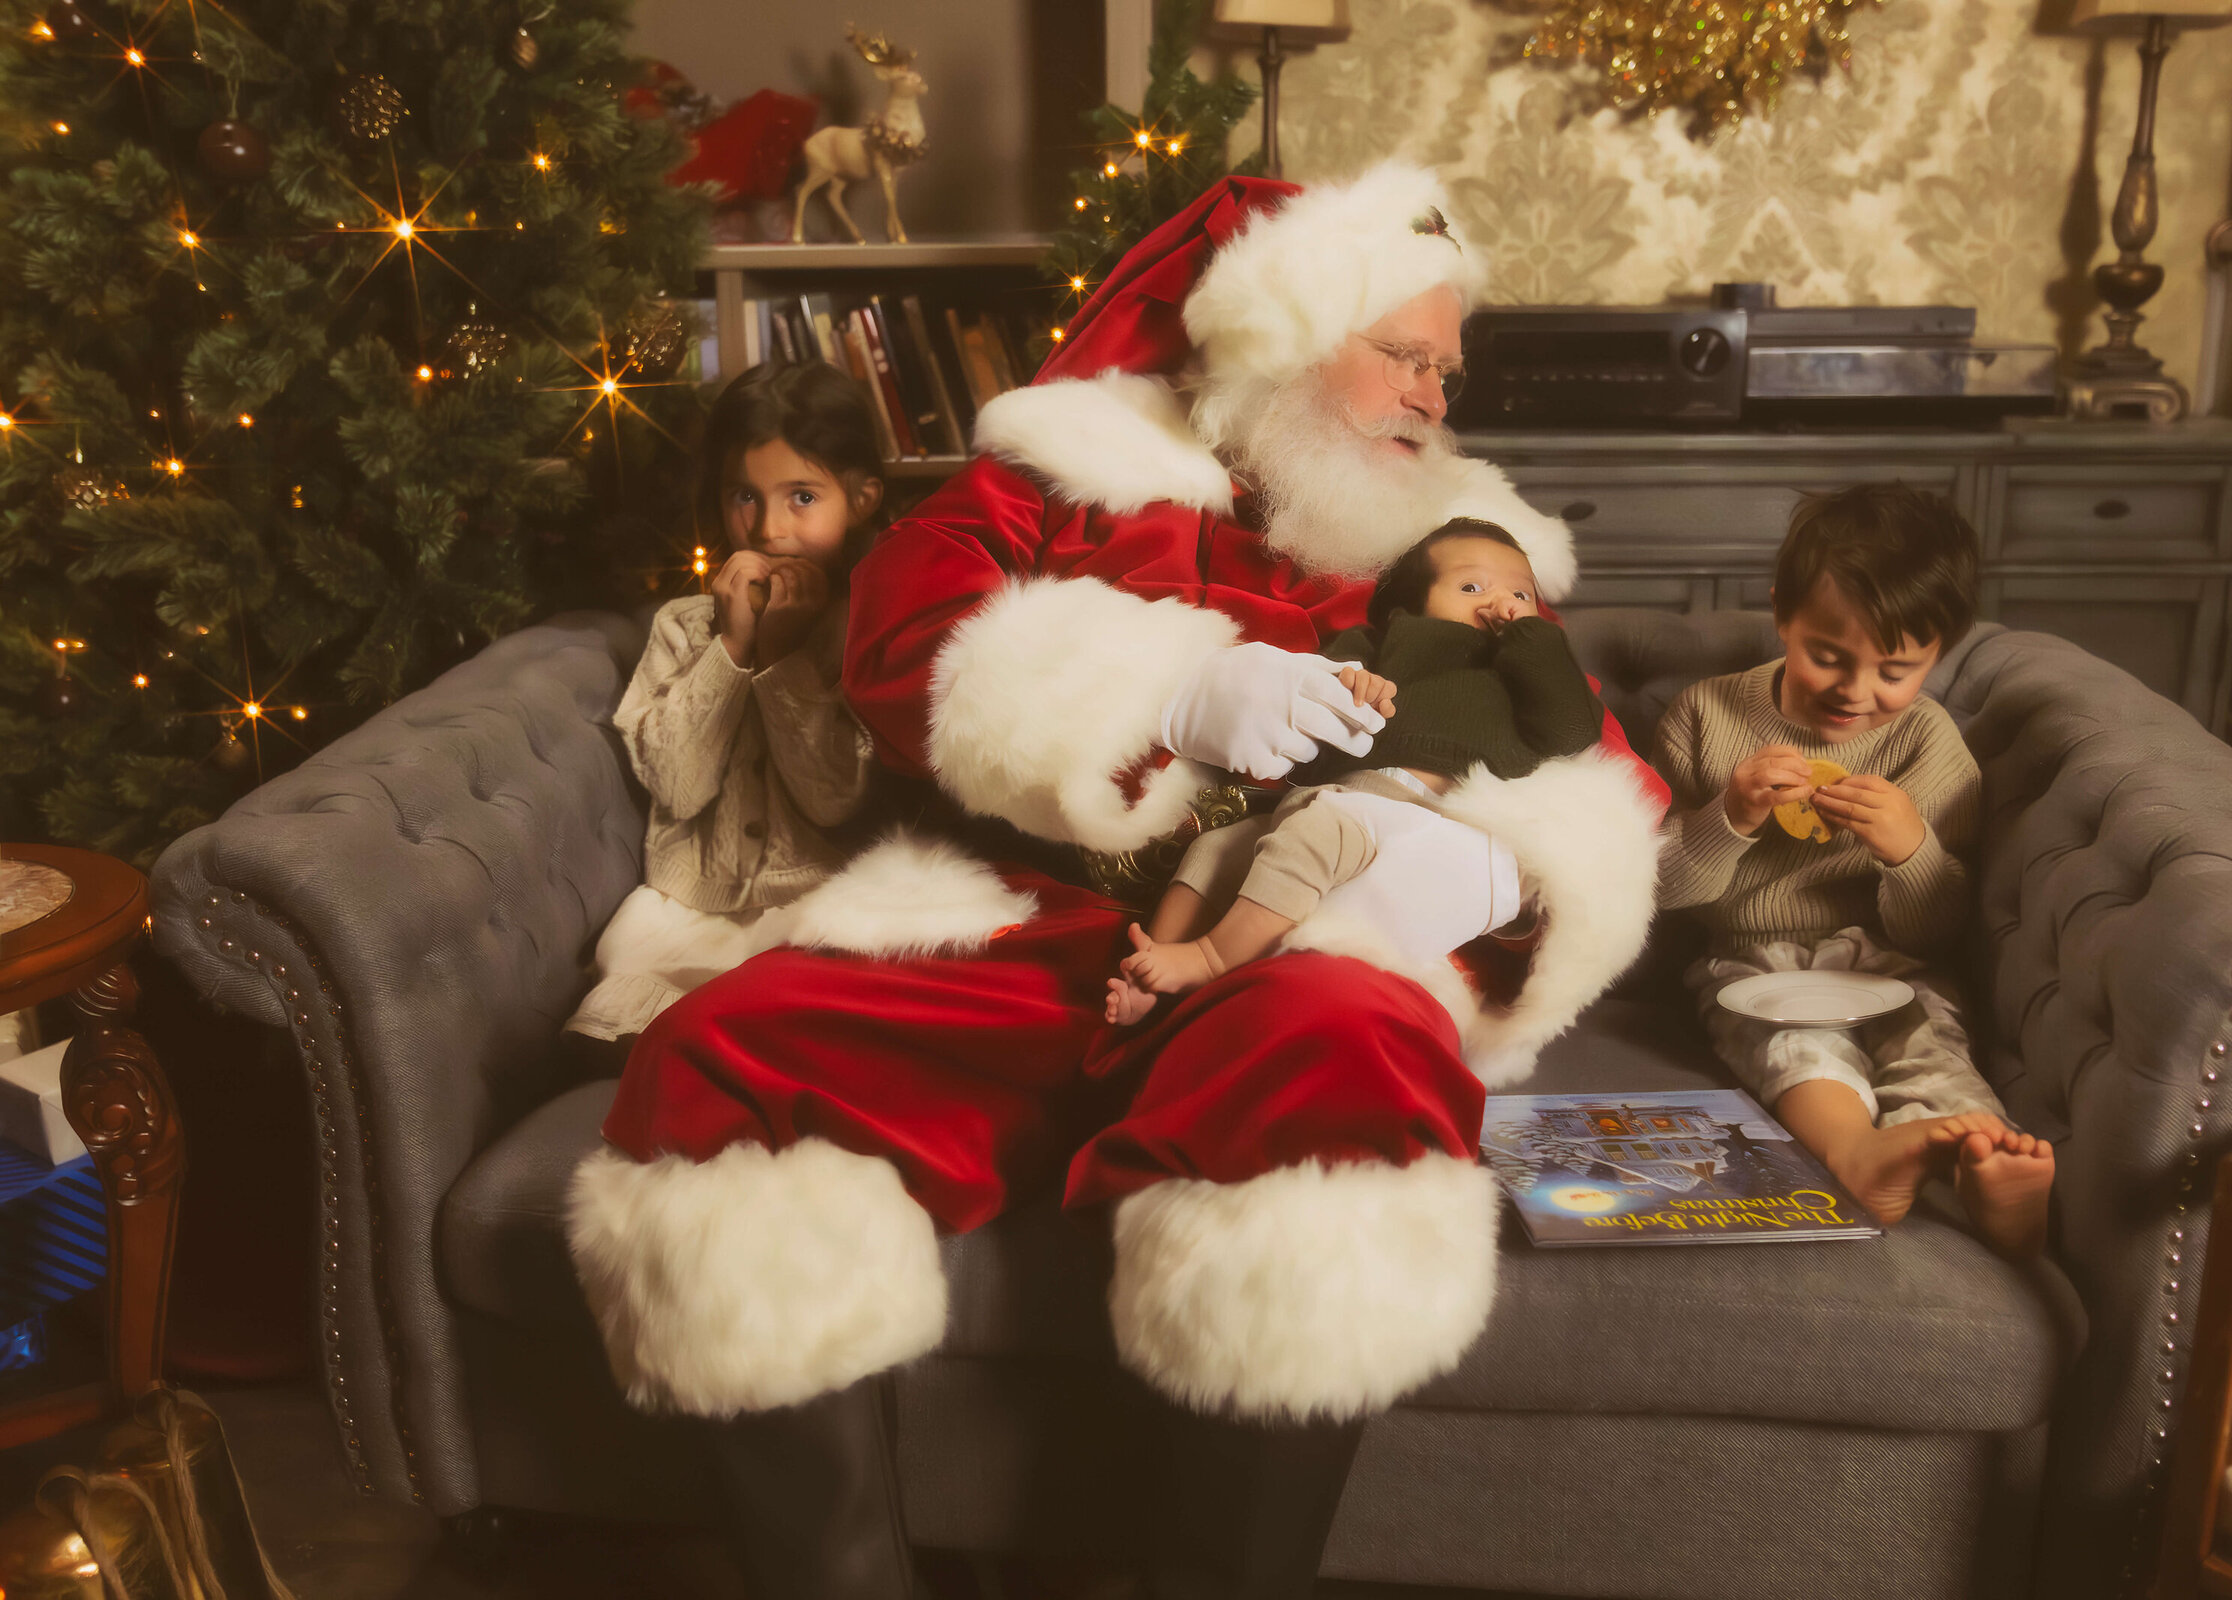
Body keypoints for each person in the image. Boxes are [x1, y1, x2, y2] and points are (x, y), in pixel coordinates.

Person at [566, 165, 1667, 1600]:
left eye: (1444, 369)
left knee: (1346, 1060)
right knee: (723, 1057)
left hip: (1285, 938)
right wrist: (1175, 692)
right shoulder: (1056, 473)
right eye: (1403, 354)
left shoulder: (1456, 544)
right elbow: (904, 644)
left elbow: (1593, 775)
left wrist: (1477, 866)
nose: (1431, 396)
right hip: (1031, 916)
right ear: (1282, 335)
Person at [1650, 483, 2054, 1259]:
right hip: (1750, 958)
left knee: (1931, 1039)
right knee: (1799, 1046)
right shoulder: (1707, 717)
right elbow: (1661, 892)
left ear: (1938, 655)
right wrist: (1728, 817)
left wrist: (1911, 851)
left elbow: (1939, 928)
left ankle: (1984, 1170)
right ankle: (1854, 1154)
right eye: (1826, 656)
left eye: (1896, 670)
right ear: (1782, 616)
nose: (1855, 692)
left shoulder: (1928, 745)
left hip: (1892, 959)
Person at [1107, 517, 1604, 1025]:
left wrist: (1536, 642)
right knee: (1217, 848)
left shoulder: (1523, 671)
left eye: (1522, 595)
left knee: (1320, 831)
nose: (1501, 604)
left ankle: (1211, 958)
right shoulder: (1382, 644)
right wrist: (1352, 687)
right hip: (1341, 793)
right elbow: (1317, 719)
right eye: (1471, 586)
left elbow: (1573, 732)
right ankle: (1150, 970)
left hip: (1436, 818)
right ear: (1408, 608)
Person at [557, 360, 884, 1074]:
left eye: (802, 496)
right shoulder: (683, 628)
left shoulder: (861, 629)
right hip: (687, 907)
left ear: (860, 499)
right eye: (745, 496)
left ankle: (750, 1045)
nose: (769, 528)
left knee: (833, 972)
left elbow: (834, 797)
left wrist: (781, 658)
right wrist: (733, 648)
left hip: (809, 900)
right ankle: (666, 1059)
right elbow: (677, 784)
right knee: (633, 960)